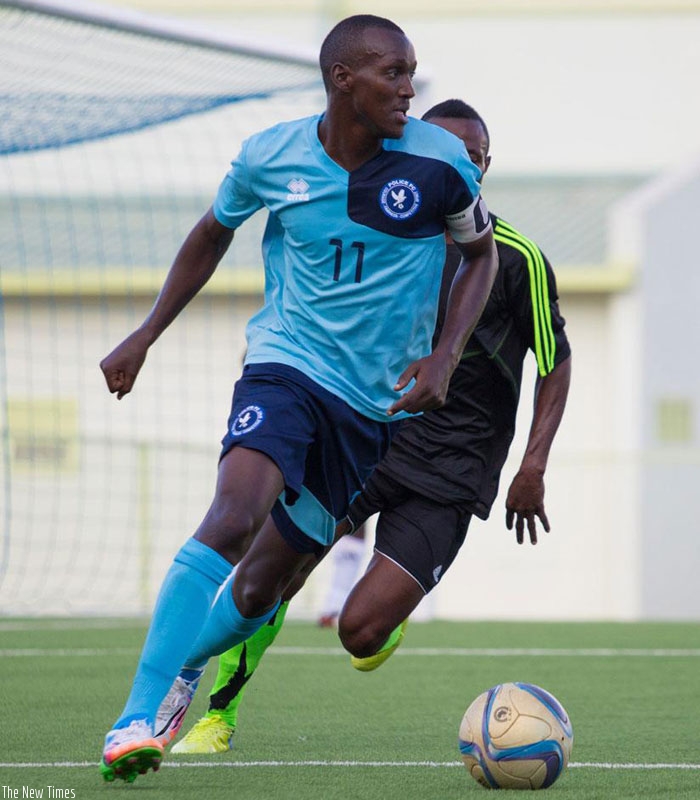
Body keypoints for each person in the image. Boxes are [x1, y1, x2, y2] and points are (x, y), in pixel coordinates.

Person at [98, 15, 497, 783]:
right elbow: (211, 234)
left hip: (370, 410)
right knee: (234, 515)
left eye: (412, 71)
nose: (409, 87)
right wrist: (145, 334)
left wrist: (445, 354)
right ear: (344, 79)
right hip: (286, 365)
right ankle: (132, 720)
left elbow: (477, 256)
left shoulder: (443, 163)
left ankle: (187, 668)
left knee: (263, 587)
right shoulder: (268, 156)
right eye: (393, 73)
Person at [167, 98, 571, 755]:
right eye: (441, 150)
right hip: (366, 438)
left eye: (471, 159)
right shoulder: (377, 230)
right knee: (275, 573)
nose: (455, 167)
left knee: (359, 630)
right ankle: (217, 713)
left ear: (485, 169)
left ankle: (388, 611)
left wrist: (533, 466)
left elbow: (557, 363)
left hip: (454, 469)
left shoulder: (516, 258)